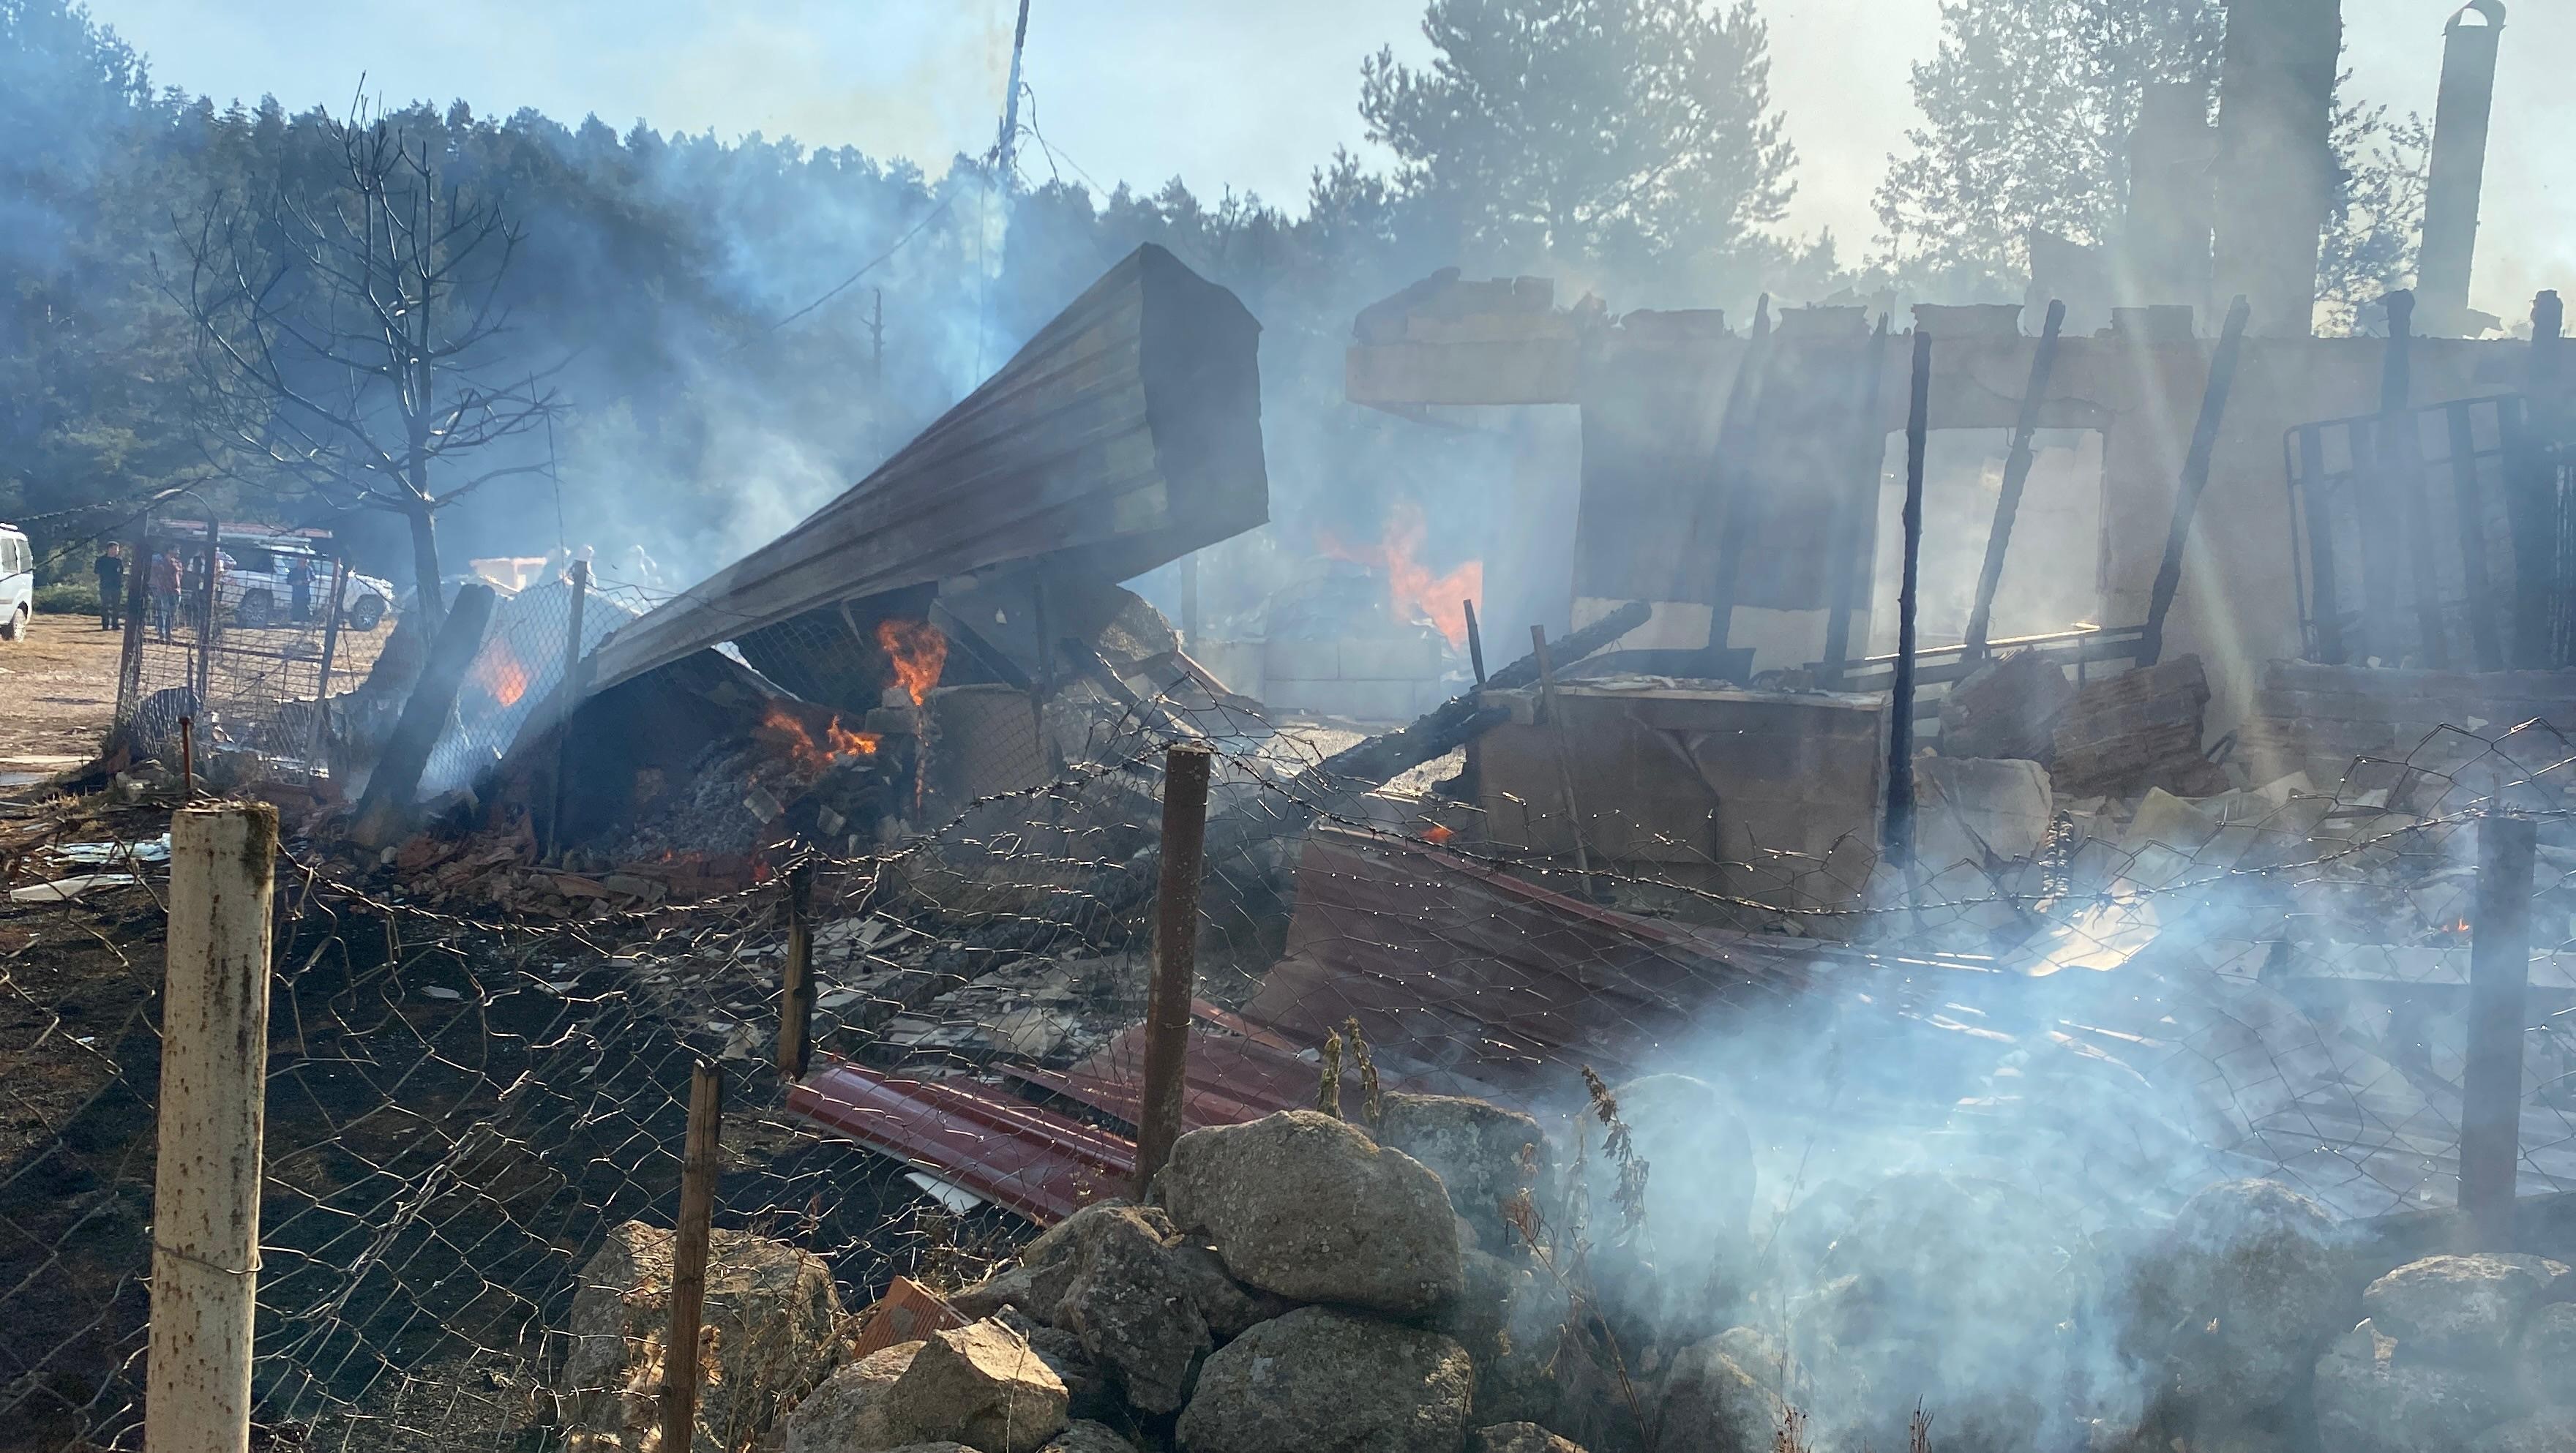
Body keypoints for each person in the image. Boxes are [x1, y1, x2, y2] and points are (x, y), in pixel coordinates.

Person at [150, 549, 180, 642]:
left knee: (171, 613)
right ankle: (162, 633)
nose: (176, 554)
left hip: (175, 590)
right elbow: (160, 576)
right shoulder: (162, 564)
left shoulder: (177, 563)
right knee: (163, 612)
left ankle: (168, 633)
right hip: (164, 590)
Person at [94, 544, 123, 631]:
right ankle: (105, 625)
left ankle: (115, 624)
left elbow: (121, 571)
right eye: (115, 549)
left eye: (117, 549)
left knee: (116, 606)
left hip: (117, 586)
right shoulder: (101, 560)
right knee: (105, 606)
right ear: (109, 549)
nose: (117, 551)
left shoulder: (118, 561)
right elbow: (96, 571)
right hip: (105, 586)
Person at [288, 554, 312, 624]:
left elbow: (312, 578)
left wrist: (304, 582)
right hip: (296, 593)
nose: (304, 564)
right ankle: (295, 621)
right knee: (296, 607)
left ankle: (306, 622)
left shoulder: (308, 570)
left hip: (306, 593)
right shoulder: (293, 571)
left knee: (305, 607)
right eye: (302, 562)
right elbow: (289, 581)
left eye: (305, 563)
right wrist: (296, 583)